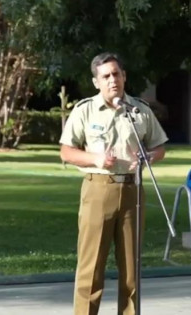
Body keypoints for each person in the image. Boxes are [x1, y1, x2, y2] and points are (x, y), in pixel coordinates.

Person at [59, 52, 168, 315]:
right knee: (91, 268)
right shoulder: (85, 110)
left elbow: (159, 146)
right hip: (99, 188)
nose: (112, 80)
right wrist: (95, 158)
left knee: (131, 269)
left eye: (116, 74)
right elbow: (66, 152)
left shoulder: (139, 110)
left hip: (133, 191)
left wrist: (149, 157)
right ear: (96, 81)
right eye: (105, 76)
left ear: (124, 76)